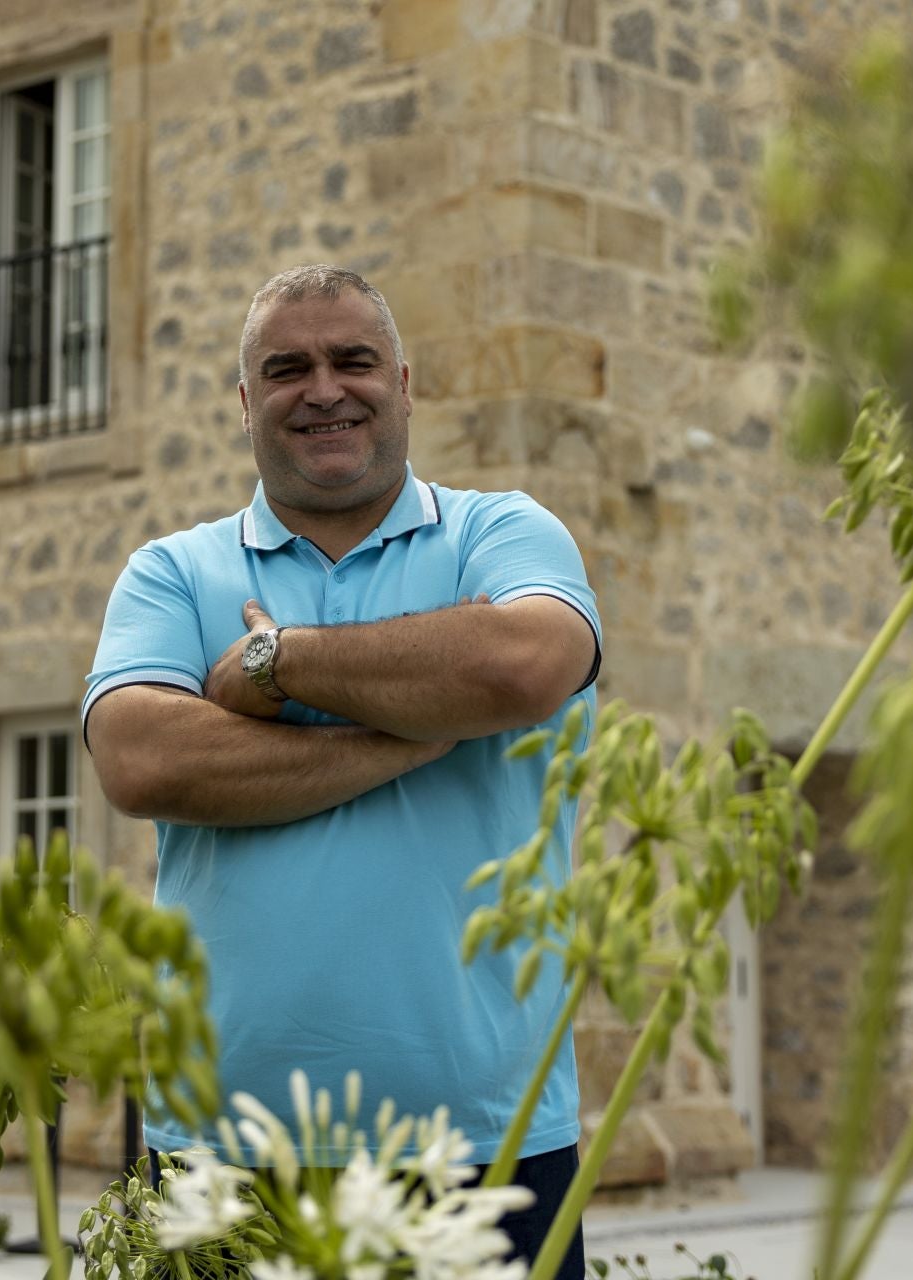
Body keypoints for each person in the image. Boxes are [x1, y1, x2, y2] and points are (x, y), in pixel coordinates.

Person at [82, 264, 602, 1276]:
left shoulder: (498, 533)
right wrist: (411, 733)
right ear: (245, 404)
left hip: (483, 1158)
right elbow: (139, 756)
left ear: (403, 383)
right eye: (287, 368)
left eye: (352, 359)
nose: (324, 388)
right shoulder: (173, 572)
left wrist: (276, 664)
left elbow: (525, 661)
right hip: (216, 1162)